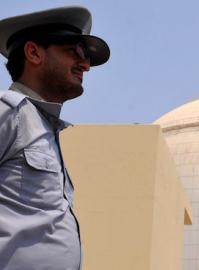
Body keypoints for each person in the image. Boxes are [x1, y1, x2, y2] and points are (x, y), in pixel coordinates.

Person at [0, 6, 109, 269]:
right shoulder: (8, 112)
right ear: (34, 53)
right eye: (74, 52)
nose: (85, 65)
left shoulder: (44, 127)